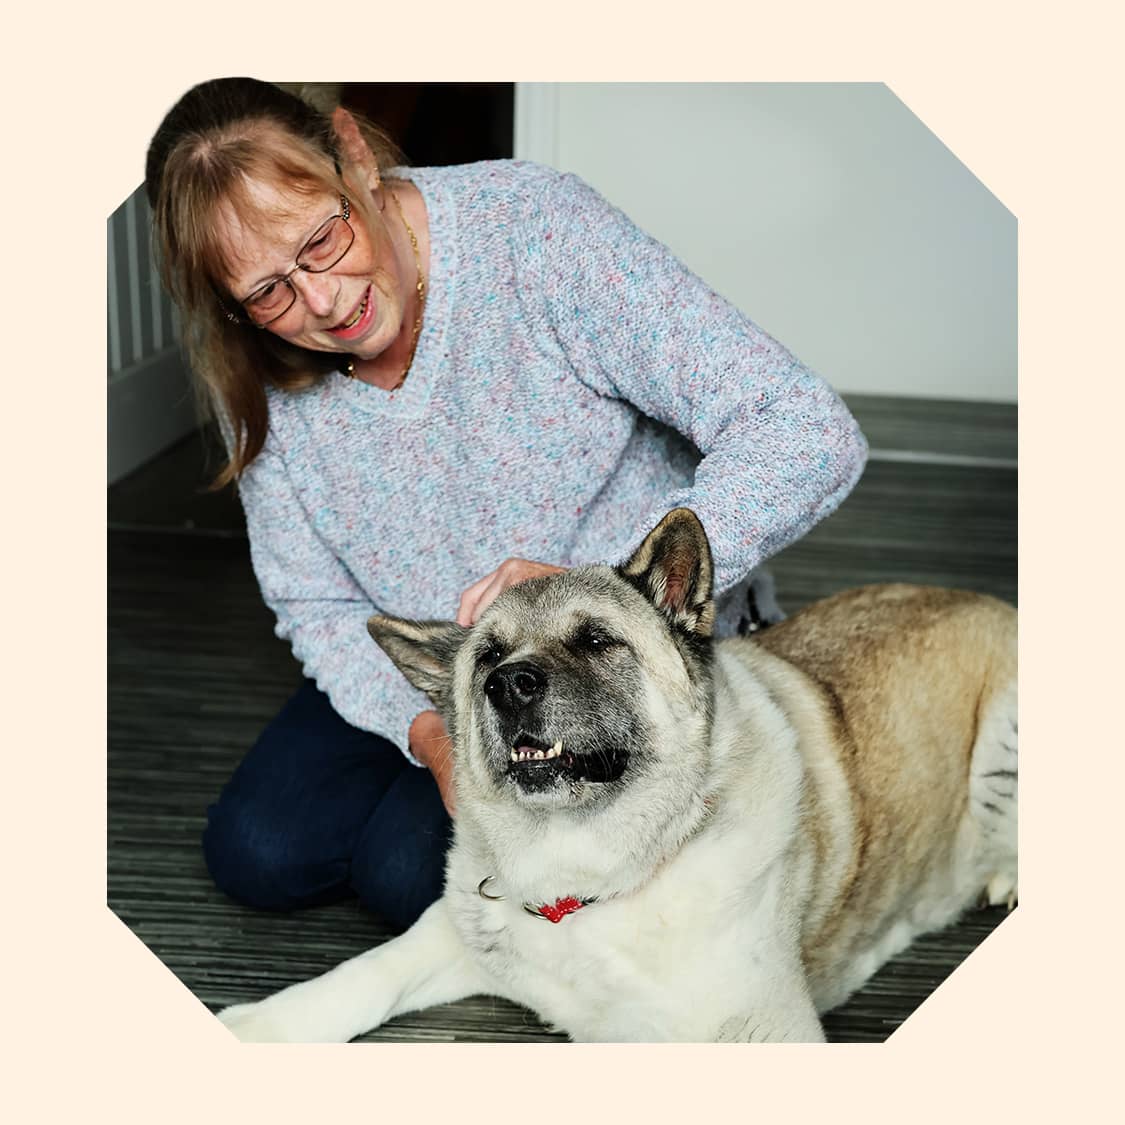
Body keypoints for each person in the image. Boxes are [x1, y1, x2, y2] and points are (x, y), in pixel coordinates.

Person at [144, 78, 868, 933]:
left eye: (323, 241)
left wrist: (599, 589)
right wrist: (430, 734)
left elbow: (808, 429)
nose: (322, 304)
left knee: (404, 872)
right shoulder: (255, 356)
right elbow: (313, 600)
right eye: (268, 291)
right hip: (439, 663)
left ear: (355, 154)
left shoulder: (538, 232)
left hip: (602, 657)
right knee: (254, 851)